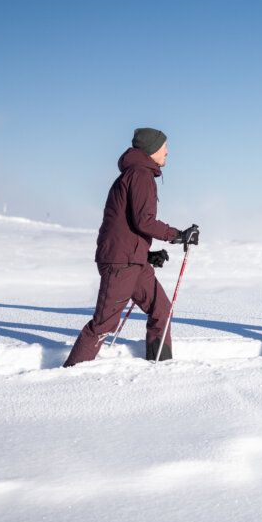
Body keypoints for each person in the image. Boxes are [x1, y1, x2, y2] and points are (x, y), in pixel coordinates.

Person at [63, 128, 199, 367]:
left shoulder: (138, 174)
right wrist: (178, 236)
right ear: (151, 149)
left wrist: (146, 255)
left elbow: (127, 225)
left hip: (132, 260)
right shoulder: (140, 175)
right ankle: (70, 372)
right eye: (163, 146)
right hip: (121, 262)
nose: (167, 151)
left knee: (162, 310)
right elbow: (143, 221)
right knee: (104, 323)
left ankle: (160, 365)